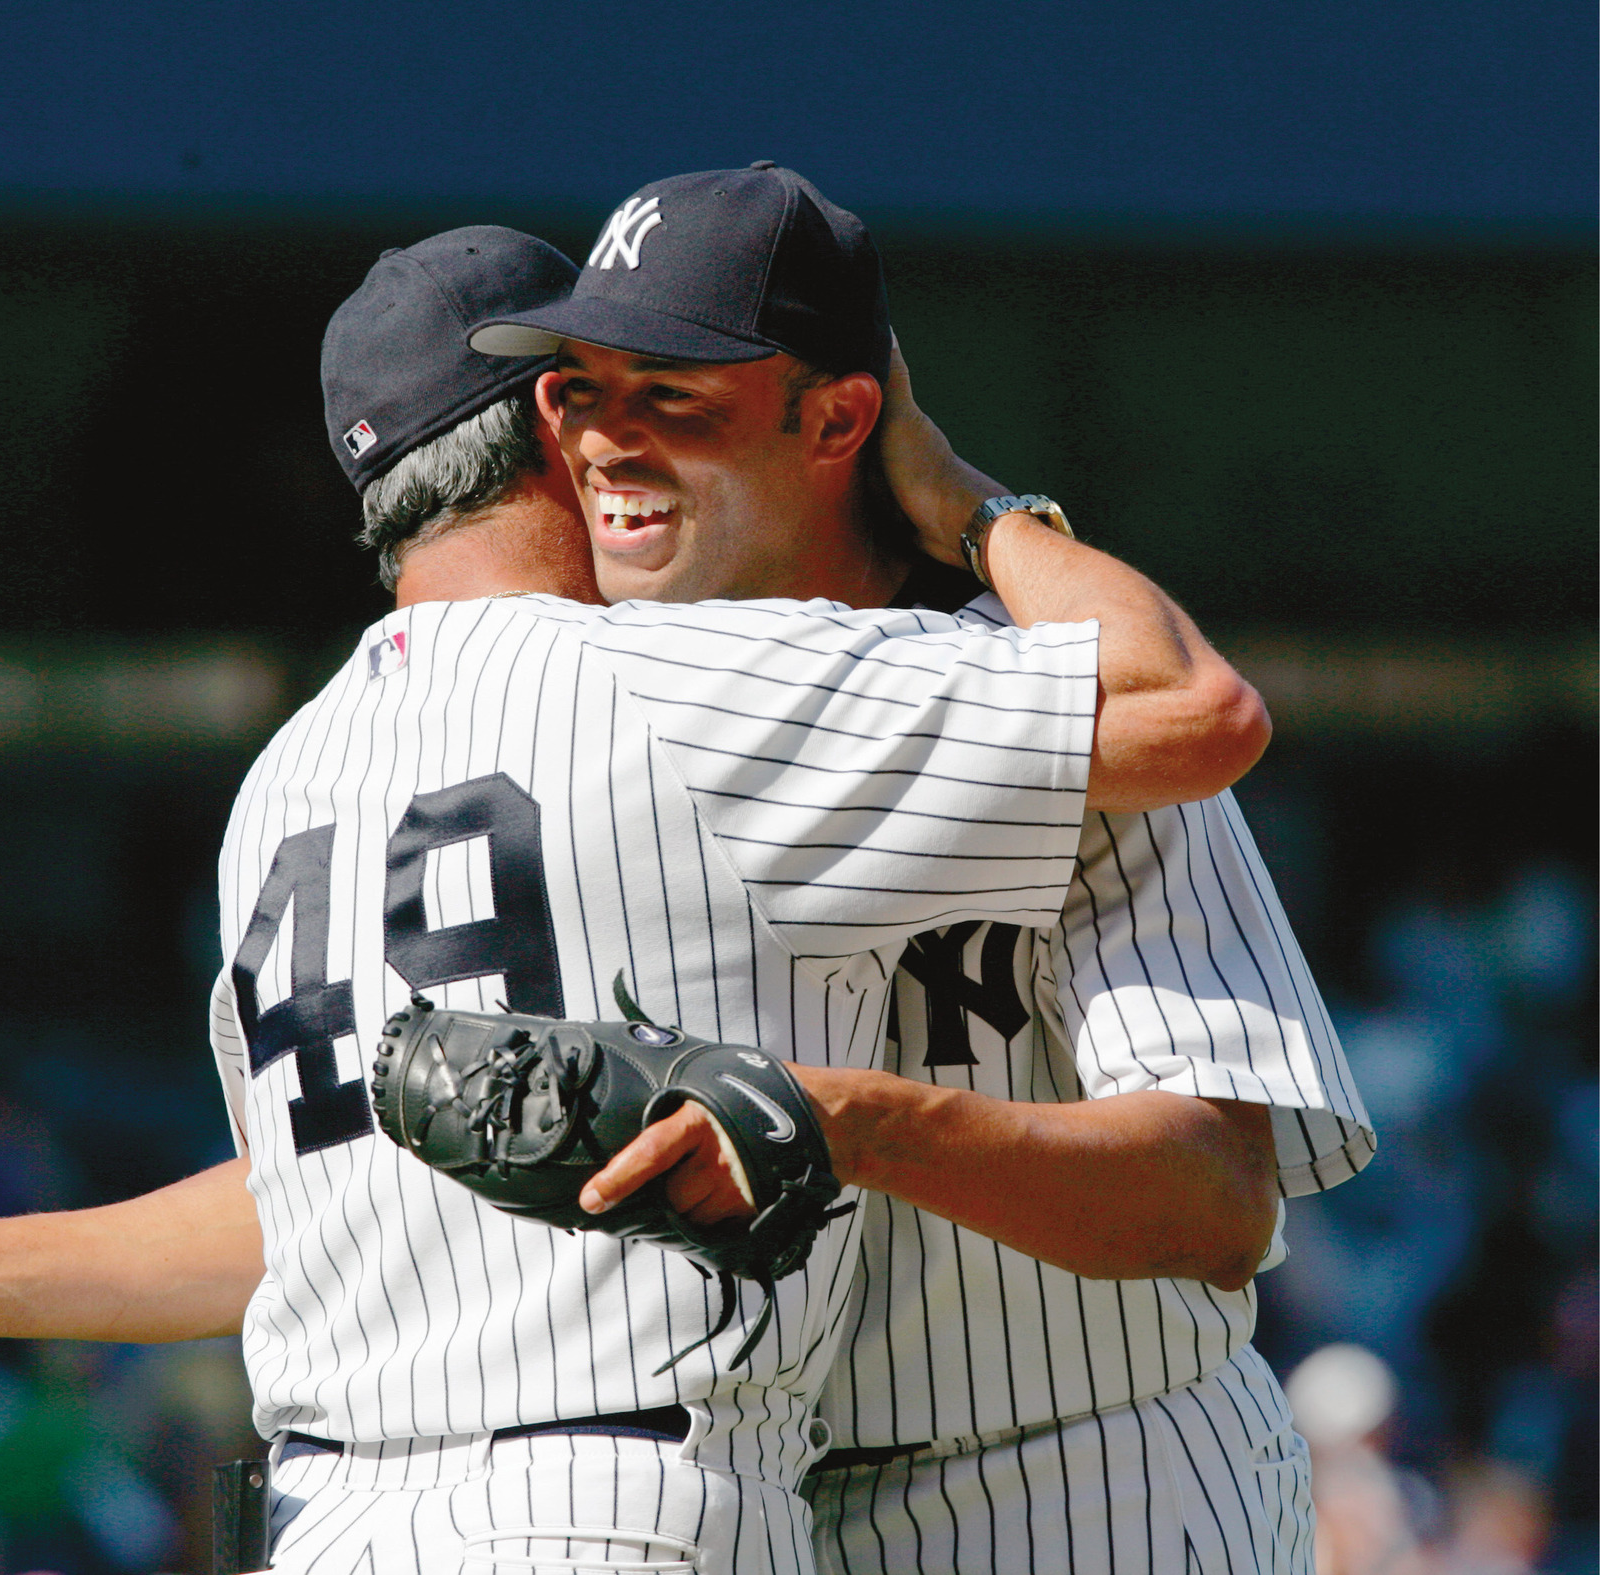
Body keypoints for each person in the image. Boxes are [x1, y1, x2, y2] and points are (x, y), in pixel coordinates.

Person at [0, 221, 1261, 1572]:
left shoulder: (284, 785)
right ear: (555, 424)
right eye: (597, 383)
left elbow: (312, 1205)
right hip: (610, 1514)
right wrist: (964, 498)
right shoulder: (700, 685)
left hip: (334, 1524)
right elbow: (1188, 714)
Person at [471, 164, 1374, 1574]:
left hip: (1078, 1479)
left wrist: (967, 503)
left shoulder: (1064, 712)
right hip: (730, 1513)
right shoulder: (563, 725)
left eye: (675, 392)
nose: (606, 441)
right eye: (575, 388)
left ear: (838, 418)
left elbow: (1211, 1203)